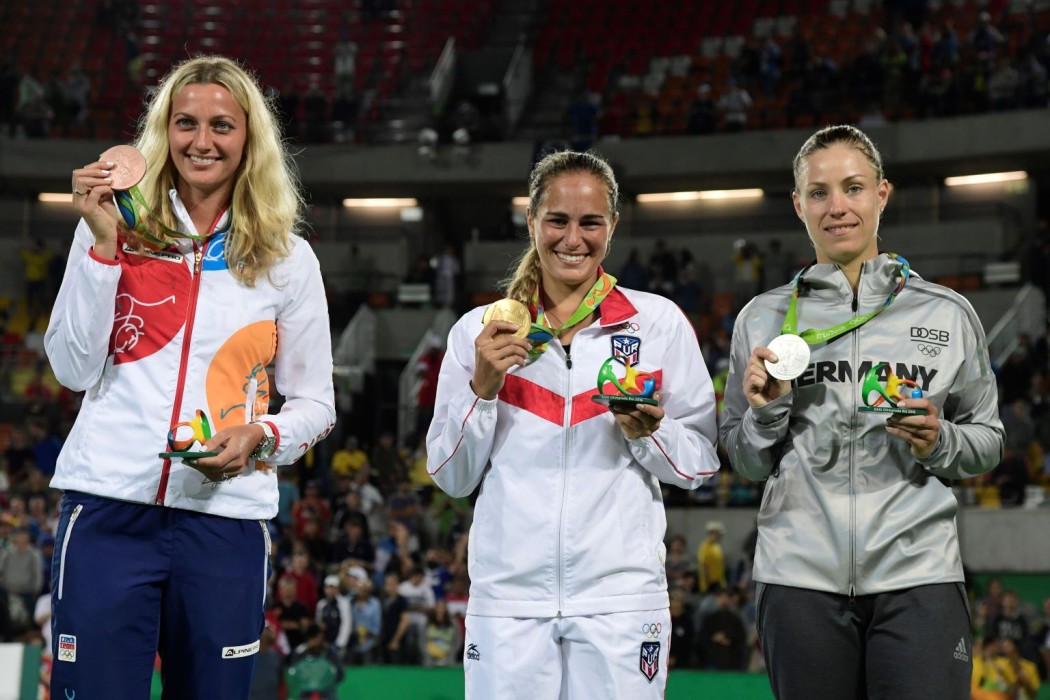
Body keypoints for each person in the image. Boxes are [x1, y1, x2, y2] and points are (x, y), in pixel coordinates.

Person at [47, 55, 336, 699]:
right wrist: (102, 248)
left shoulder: (288, 258)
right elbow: (70, 369)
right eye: (185, 123)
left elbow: (317, 403)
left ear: (249, 139)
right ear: (164, 131)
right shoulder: (111, 226)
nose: (201, 141)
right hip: (108, 510)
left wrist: (261, 436)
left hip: (224, 520)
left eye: (221, 125)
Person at [719, 124, 1005, 699]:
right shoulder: (762, 317)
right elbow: (744, 461)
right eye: (819, 192)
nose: (837, 207)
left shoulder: (947, 313)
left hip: (918, 574)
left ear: (881, 194)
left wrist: (940, 441)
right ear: (799, 205)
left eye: (853, 188)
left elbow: (989, 440)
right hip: (798, 577)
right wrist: (766, 415)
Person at [426, 149, 721, 698]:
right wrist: (482, 391)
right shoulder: (478, 333)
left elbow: (700, 465)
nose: (573, 239)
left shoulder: (657, 324)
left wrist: (650, 435)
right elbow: (451, 477)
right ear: (531, 221)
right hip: (508, 605)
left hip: (620, 603)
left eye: (591, 223)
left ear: (613, 226)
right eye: (557, 220)